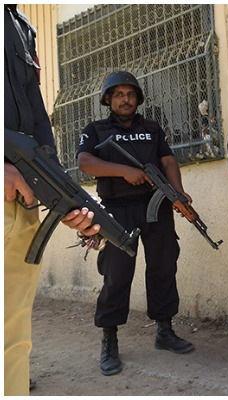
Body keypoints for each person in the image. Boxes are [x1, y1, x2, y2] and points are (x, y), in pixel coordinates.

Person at [5, 4, 100, 395]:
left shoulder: (20, 24)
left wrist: (59, 190)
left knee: (12, 338)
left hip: (21, 200)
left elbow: (37, 115)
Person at [77, 71, 195, 377]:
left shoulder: (152, 128)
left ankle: (165, 330)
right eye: (118, 94)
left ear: (138, 98)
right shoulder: (96, 129)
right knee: (117, 273)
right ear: (108, 99)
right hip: (117, 210)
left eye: (130, 94)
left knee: (163, 266)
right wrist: (122, 171)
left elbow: (168, 160)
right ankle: (110, 339)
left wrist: (178, 193)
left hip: (156, 208)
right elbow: (85, 162)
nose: (125, 99)